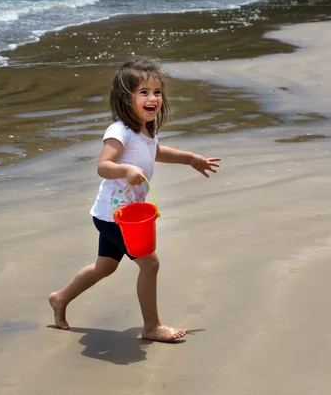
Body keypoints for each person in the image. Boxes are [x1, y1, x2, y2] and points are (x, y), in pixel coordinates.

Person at [49, 56, 221, 342]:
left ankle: (60, 297)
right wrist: (125, 169)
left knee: (105, 265)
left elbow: (156, 152)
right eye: (143, 92)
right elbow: (103, 166)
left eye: (157, 92)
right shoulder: (119, 131)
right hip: (115, 216)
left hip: (120, 214)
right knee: (150, 263)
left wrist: (190, 158)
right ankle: (151, 326)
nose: (153, 97)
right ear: (124, 98)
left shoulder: (146, 130)